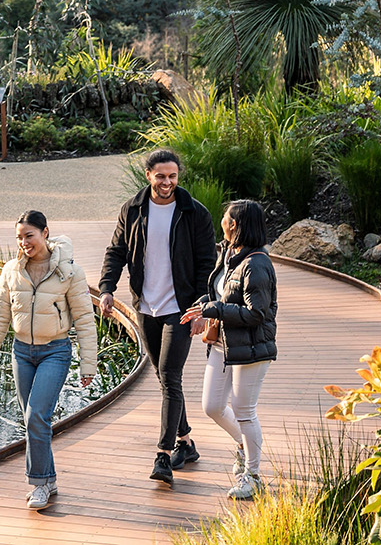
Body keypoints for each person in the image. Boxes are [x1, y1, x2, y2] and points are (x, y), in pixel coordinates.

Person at [97, 148, 216, 487]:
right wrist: (107, 288)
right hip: (145, 306)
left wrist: (200, 307)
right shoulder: (132, 209)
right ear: (148, 175)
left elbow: (208, 264)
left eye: (172, 177)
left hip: (181, 308)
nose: (167, 182)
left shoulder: (194, 213)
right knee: (166, 380)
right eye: (161, 176)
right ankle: (186, 443)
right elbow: (116, 251)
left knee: (170, 375)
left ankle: (163, 455)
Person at [0, 209, 98, 511]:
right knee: (34, 421)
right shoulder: (11, 271)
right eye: (19, 237)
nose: (23, 243)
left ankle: (40, 484)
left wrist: (88, 363)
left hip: (54, 352)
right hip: (21, 353)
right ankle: (49, 477)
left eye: (29, 235)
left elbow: (85, 319)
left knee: (36, 416)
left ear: (45, 233)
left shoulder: (69, 272)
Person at [180, 199, 277, 500]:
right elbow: (221, 294)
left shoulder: (257, 264)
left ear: (234, 224)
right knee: (212, 406)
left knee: (244, 411)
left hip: (251, 347)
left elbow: (256, 314)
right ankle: (243, 444)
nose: (221, 220)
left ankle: (253, 475)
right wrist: (203, 310)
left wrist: (213, 309)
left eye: (224, 217)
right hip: (224, 345)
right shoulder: (231, 255)